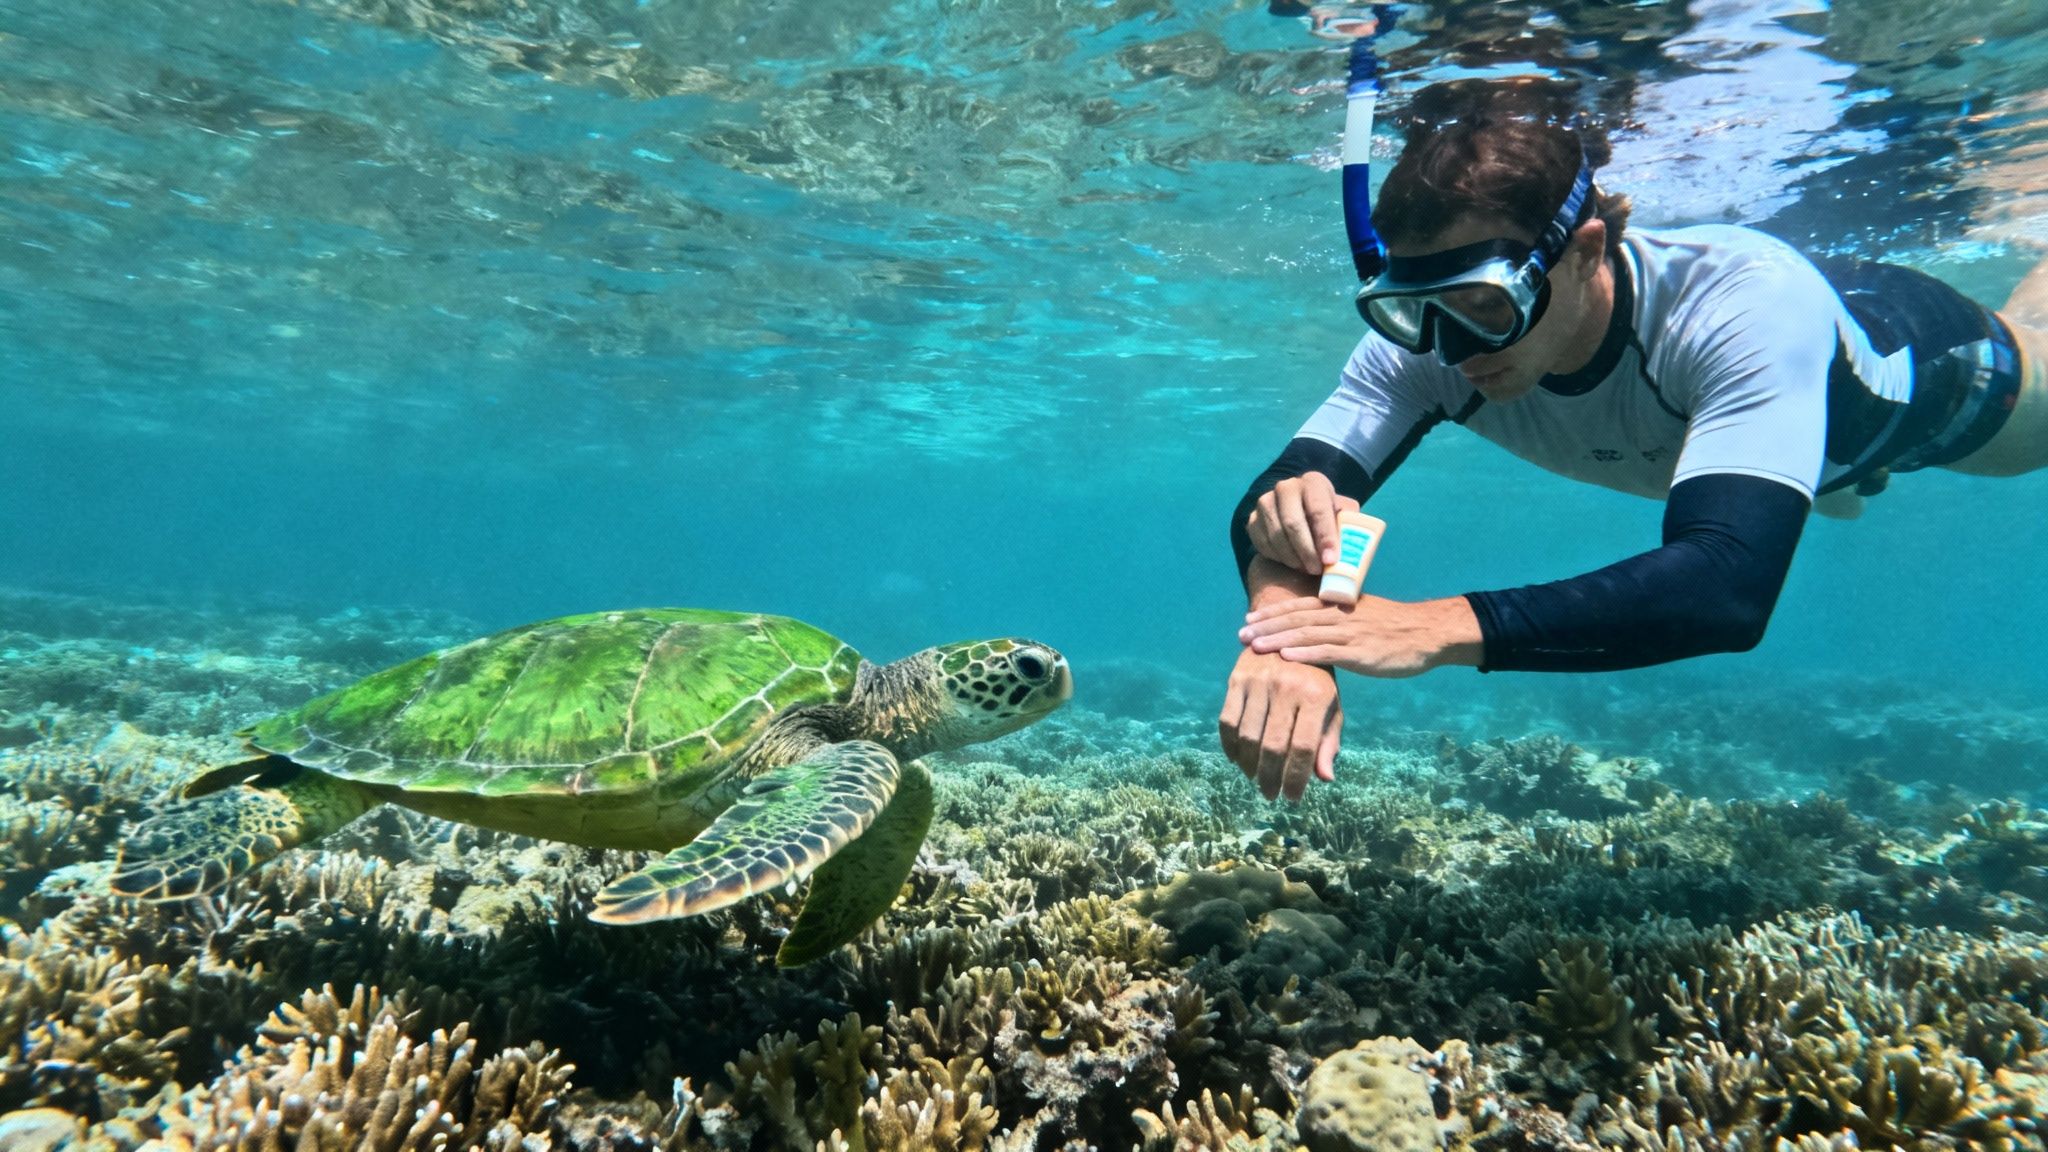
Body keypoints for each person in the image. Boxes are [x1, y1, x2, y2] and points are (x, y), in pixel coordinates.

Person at [1218, 78, 2048, 803]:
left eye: (1482, 305)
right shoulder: (1426, 345)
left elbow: (1723, 587)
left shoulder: (1742, 305)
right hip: (1764, 429)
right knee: (1792, 486)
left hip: (1933, 377)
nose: (1451, 349)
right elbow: (1279, 495)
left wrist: (1429, 629)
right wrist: (1287, 628)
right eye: (1412, 310)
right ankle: (1807, 480)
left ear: (1584, 252)